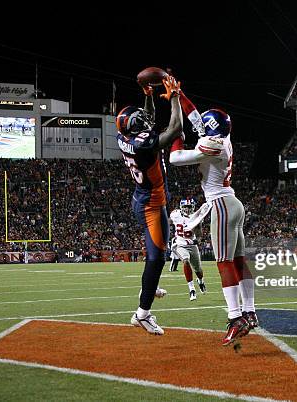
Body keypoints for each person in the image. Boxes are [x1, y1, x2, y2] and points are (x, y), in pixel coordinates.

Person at [169, 90, 256, 346]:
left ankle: (235, 317)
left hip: (220, 204)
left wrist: (176, 134)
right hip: (233, 202)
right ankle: (249, 311)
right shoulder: (222, 138)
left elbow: (175, 158)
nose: (200, 127)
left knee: (224, 263)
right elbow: (197, 118)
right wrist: (179, 93)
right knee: (238, 261)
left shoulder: (213, 146)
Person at [116, 75, 183, 335]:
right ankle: (142, 314)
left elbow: (149, 120)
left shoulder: (127, 136)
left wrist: (149, 94)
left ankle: (150, 285)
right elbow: (175, 128)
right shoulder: (143, 145)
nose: (147, 121)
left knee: (157, 257)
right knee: (157, 257)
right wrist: (175, 95)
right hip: (150, 206)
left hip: (147, 200)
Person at [169, 198, 206, 300]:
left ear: (193, 207)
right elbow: (168, 222)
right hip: (180, 244)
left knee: (198, 270)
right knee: (185, 261)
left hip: (192, 245)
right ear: (181, 207)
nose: (187, 209)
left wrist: (196, 241)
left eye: (189, 207)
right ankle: (192, 289)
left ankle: (201, 281)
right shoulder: (175, 214)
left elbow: (199, 235)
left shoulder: (196, 218)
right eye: (185, 206)